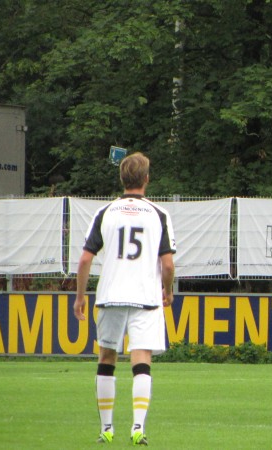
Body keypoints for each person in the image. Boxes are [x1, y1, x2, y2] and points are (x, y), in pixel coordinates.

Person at [73, 152, 176, 445]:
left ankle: (106, 428)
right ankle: (138, 428)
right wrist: (167, 291)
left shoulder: (105, 212)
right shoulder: (158, 214)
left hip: (110, 295)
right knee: (141, 359)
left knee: (107, 357)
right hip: (145, 297)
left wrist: (80, 297)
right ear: (146, 178)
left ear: (122, 178)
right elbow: (167, 265)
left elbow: (84, 260)